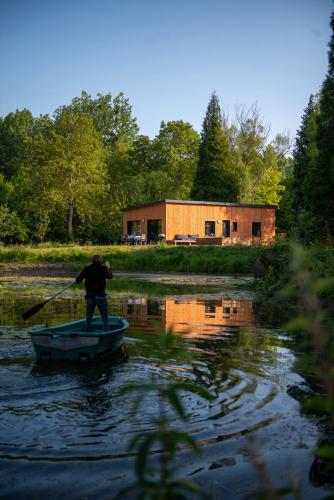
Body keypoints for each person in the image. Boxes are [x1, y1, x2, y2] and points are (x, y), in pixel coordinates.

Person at [75, 255, 113, 331]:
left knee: (88, 317)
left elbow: (78, 281)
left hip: (90, 296)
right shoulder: (104, 269)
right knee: (104, 316)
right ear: (101, 261)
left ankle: (86, 331)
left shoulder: (87, 269)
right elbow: (110, 277)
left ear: (91, 261)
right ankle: (106, 331)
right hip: (101, 296)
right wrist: (109, 268)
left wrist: (80, 274)